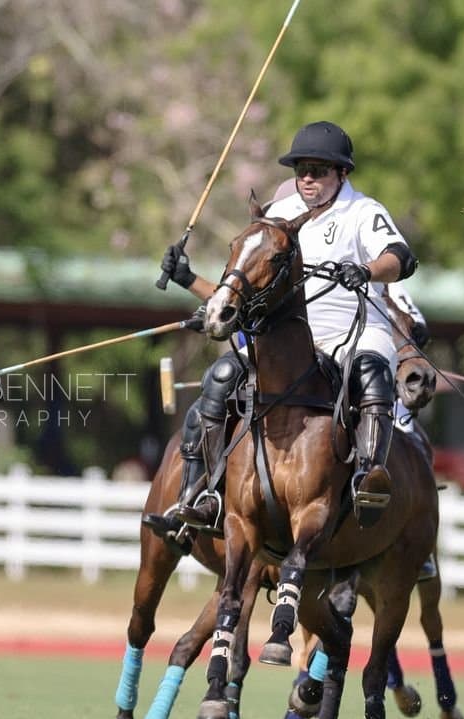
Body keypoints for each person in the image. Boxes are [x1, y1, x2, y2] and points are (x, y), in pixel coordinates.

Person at [147, 120, 419, 546]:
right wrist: (189, 279)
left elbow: (400, 257)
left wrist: (364, 270)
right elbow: (238, 294)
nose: (307, 178)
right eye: (301, 170)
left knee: (373, 373)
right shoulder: (280, 215)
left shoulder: (363, 212)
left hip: (349, 332)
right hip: (287, 342)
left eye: (319, 169)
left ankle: (368, 477)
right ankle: (198, 498)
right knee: (219, 380)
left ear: (341, 174)